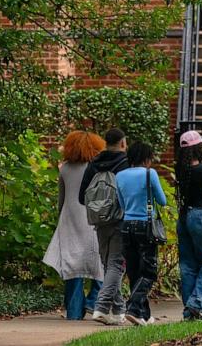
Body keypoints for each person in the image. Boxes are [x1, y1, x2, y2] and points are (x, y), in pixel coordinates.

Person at [43, 131, 107, 320]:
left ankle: (74, 312)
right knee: (100, 265)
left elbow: (61, 200)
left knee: (72, 268)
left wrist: (60, 218)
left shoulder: (65, 169)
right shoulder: (98, 168)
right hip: (94, 220)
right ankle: (93, 301)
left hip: (70, 220)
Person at [78, 127, 130, 325]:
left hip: (99, 221)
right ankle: (100, 307)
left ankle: (118, 310)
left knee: (109, 265)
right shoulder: (125, 164)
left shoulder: (94, 164)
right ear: (123, 143)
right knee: (116, 264)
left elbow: (82, 196)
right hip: (119, 219)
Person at [115, 141, 167, 326]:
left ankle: (144, 315)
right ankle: (133, 308)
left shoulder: (119, 176)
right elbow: (162, 200)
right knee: (149, 271)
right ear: (147, 158)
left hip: (126, 225)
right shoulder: (149, 173)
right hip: (145, 226)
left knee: (134, 270)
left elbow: (121, 204)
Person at [175, 130, 202, 321]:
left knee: (188, 265)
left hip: (184, 217)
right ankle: (196, 303)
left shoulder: (181, 169)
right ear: (197, 148)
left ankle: (189, 312)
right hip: (200, 215)